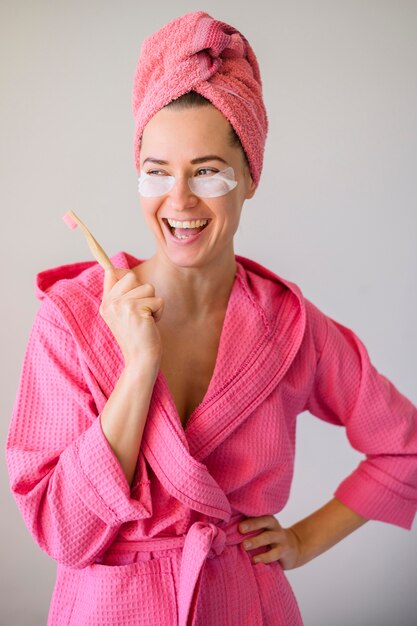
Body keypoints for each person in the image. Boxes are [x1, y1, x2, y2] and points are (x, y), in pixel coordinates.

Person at [5, 10, 417, 626]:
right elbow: (64, 533)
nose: (179, 200)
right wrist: (137, 366)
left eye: (206, 171)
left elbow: (403, 447)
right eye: (157, 171)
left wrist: (303, 540)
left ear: (250, 176)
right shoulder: (72, 321)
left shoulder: (290, 328)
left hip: (244, 606)